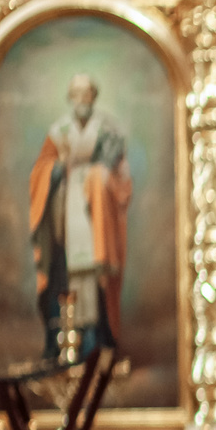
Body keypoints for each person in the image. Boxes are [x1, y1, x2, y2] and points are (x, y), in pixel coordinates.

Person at [28, 72, 134, 365]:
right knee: (66, 276)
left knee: (93, 275)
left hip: (95, 219)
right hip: (64, 215)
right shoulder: (58, 132)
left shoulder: (107, 132)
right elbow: (41, 170)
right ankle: (63, 343)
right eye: (76, 94)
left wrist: (99, 179)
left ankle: (95, 342)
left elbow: (119, 177)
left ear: (94, 97)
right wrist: (57, 170)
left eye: (87, 94)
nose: (82, 100)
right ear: (70, 98)